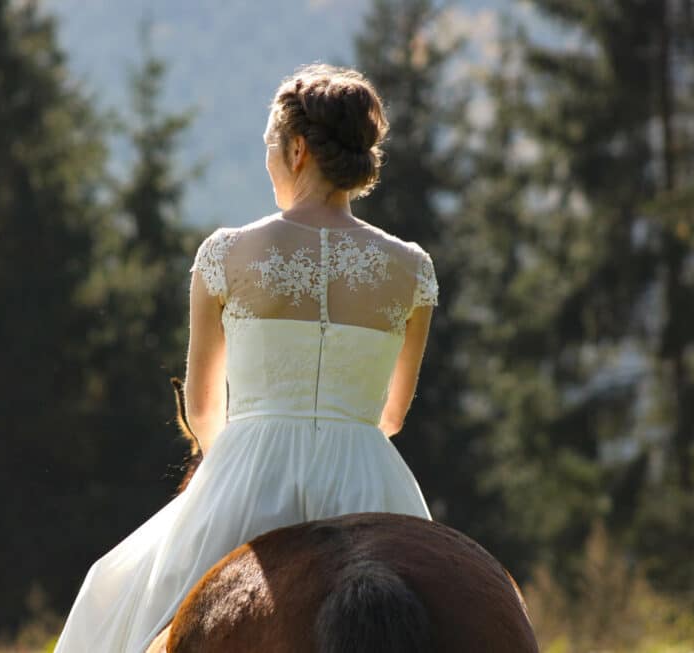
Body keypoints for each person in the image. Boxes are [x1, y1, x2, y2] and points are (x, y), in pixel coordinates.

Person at [53, 63, 438, 653]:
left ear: (298, 150)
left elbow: (203, 410)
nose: (268, 161)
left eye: (269, 147)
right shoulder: (412, 268)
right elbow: (392, 416)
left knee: (108, 597)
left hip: (249, 470)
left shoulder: (227, 254)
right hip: (368, 475)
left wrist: (230, 468)